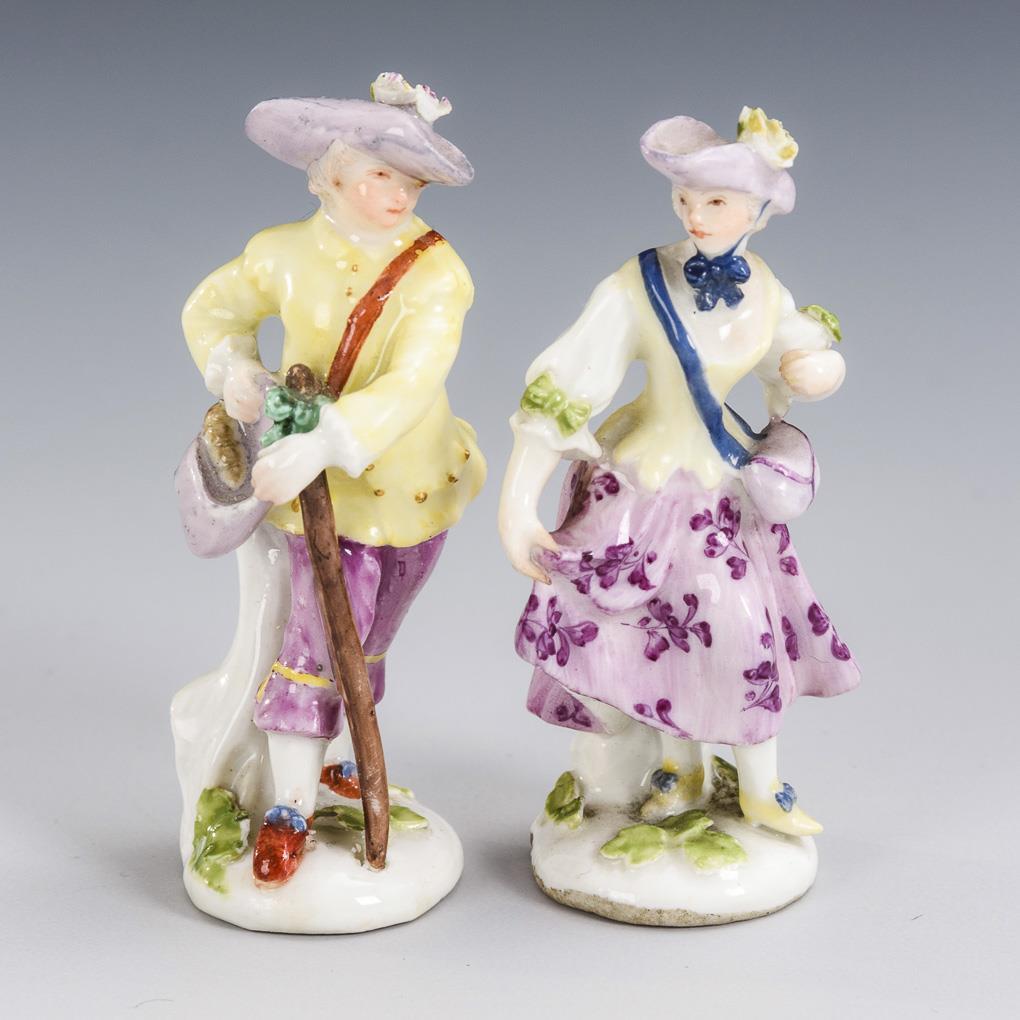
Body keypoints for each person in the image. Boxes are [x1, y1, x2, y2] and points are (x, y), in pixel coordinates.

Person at [499, 106, 859, 837]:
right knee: (655, 635)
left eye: (716, 201)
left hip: (724, 487)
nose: (696, 215)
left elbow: (795, 351)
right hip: (644, 483)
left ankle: (761, 787)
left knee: (743, 632)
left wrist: (817, 368)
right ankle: (681, 770)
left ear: (759, 210)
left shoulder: (765, 287)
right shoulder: (637, 285)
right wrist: (517, 503)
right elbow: (565, 383)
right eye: (685, 198)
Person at [182, 73, 485, 886]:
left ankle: (339, 759)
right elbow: (212, 311)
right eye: (381, 174)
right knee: (316, 642)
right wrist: (234, 369)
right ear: (331, 174)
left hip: (417, 484)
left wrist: (330, 440)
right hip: (314, 494)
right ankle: (289, 807)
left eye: (411, 180)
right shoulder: (280, 253)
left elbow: (414, 380)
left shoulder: (436, 272)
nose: (399, 194)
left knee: (370, 640)